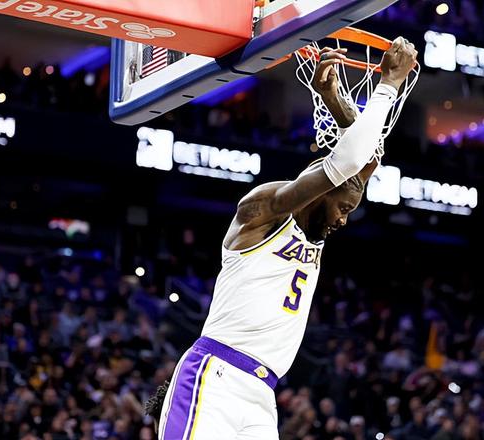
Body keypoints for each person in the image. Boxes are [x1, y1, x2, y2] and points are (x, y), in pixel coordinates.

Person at [146, 37, 418, 440]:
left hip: (262, 393)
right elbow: (351, 161)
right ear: (324, 191)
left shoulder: (315, 231)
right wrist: (389, 84)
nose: (344, 221)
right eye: (344, 208)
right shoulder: (262, 211)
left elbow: (364, 159)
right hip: (216, 376)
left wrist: (333, 97)